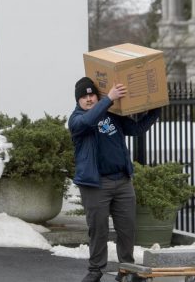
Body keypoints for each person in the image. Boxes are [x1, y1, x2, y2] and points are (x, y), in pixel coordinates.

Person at [68, 76, 161, 282]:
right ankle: (95, 270)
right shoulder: (76, 120)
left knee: (127, 228)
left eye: (92, 94)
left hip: (122, 181)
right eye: (85, 96)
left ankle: (126, 269)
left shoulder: (111, 114)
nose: (89, 98)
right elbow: (89, 120)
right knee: (98, 229)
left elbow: (136, 129)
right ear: (78, 100)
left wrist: (156, 110)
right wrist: (108, 98)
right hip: (96, 184)